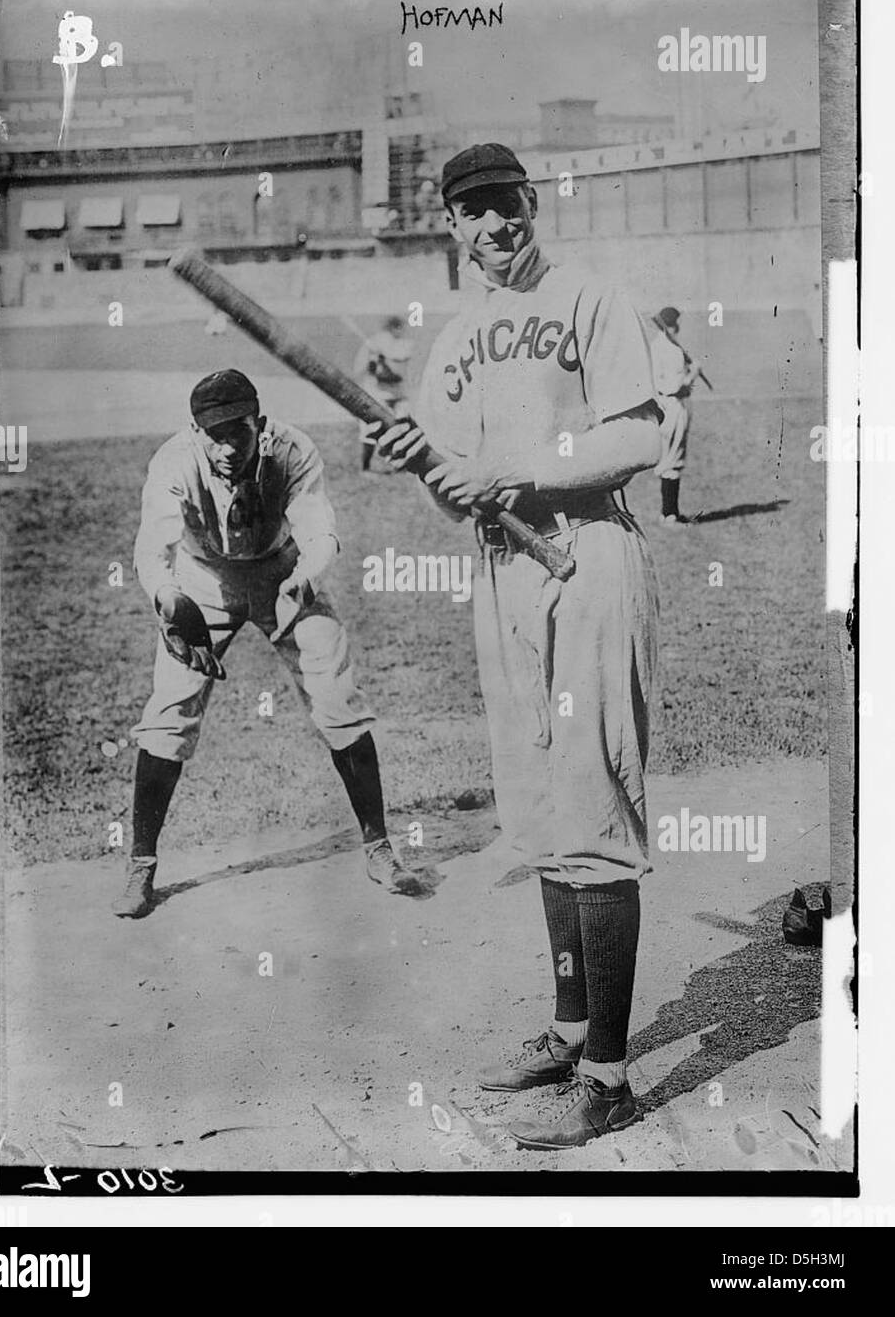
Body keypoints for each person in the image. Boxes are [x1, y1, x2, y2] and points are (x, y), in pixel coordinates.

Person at [372, 143, 663, 1149]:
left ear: (531, 207)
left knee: (591, 808)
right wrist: (421, 460)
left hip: (583, 559)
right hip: (503, 572)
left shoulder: (589, 298)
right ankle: (569, 1027)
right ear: (449, 226)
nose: (494, 226)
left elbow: (638, 437)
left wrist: (519, 475)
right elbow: (456, 481)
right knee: (540, 815)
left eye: (508, 207)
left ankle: (609, 1074)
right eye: (474, 212)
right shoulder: (456, 336)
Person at [114, 368, 420, 918]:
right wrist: (168, 598)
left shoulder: (293, 450)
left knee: (338, 700)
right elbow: (151, 548)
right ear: (195, 429)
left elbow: (319, 530)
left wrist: (306, 579)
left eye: (239, 431)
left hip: (282, 572)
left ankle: (378, 846)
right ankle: (140, 865)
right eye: (214, 433)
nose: (227, 445)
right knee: (169, 713)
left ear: (261, 423)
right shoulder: (174, 461)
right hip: (201, 579)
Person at [650, 306, 701, 526]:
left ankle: (670, 512)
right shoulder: (664, 348)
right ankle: (669, 514)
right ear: (670, 324)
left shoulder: (665, 345)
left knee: (673, 459)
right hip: (671, 404)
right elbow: (674, 386)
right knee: (671, 460)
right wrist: (693, 374)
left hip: (670, 404)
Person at [354, 316, 414, 472]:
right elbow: (368, 371)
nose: (401, 331)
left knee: (404, 428)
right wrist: (375, 360)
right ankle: (365, 468)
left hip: (399, 394)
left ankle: (399, 466)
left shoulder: (405, 344)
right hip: (377, 394)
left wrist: (385, 357)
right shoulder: (375, 343)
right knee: (370, 431)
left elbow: (398, 365)